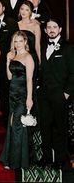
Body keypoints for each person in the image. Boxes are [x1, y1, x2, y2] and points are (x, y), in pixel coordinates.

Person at [38, 19, 74, 169]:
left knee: (60, 127)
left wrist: (67, 93)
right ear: (45, 30)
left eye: (54, 27)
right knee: (45, 127)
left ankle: (61, 160)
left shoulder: (68, 47)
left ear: (60, 29)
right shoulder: (43, 46)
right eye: (49, 28)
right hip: (44, 95)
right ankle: (46, 158)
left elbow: (73, 73)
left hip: (60, 94)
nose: (51, 30)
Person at [0, 30, 34, 169]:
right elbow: (9, 77)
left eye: (20, 41)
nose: (18, 44)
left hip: (22, 94)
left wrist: (29, 98)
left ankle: (16, 161)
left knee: (18, 126)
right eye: (15, 41)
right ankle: (10, 158)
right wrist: (8, 60)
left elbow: (29, 79)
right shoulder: (12, 55)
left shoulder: (28, 57)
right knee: (12, 124)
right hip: (12, 94)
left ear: (25, 42)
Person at [18, 0, 41, 65]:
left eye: (27, 10)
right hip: (18, 58)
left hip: (31, 57)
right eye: (22, 9)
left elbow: (37, 45)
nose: (23, 12)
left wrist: (39, 61)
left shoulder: (35, 26)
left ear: (30, 11)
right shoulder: (16, 25)